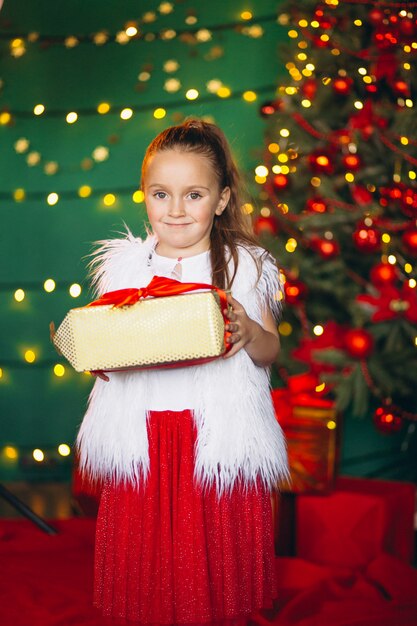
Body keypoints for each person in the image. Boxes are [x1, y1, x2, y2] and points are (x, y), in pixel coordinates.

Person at [77, 117, 290, 625]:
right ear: (144, 196)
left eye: (193, 195)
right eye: (160, 194)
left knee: (210, 571)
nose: (175, 210)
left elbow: (270, 349)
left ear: (220, 199)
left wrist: (246, 332)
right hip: (146, 436)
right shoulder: (125, 270)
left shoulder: (244, 266)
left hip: (210, 437)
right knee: (150, 569)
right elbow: (113, 348)